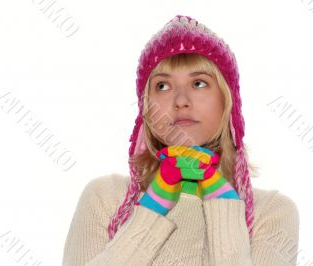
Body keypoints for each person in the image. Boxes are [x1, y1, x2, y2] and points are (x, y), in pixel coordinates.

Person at [62, 14, 300, 266]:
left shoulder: (272, 213)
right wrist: (151, 210)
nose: (181, 100)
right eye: (163, 86)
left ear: (228, 102)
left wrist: (224, 206)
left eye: (199, 83)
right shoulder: (105, 198)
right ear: (146, 110)